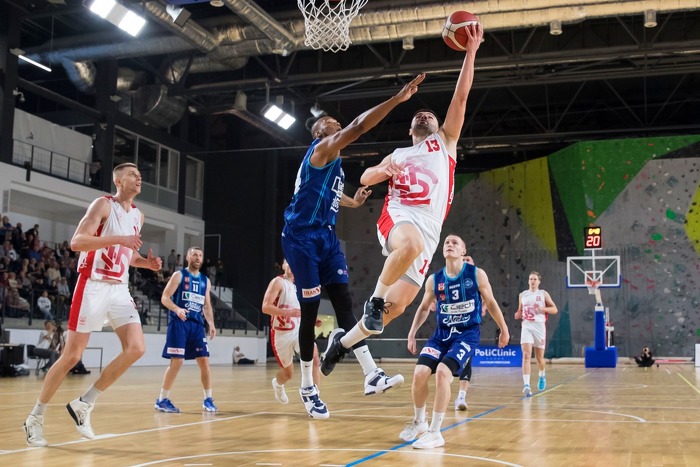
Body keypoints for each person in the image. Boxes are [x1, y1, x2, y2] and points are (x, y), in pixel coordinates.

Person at [321, 23, 485, 377]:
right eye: (417, 117)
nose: (424, 115)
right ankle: (375, 299)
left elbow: (461, 97)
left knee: (392, 312)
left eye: (430, 115)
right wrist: (383, 170)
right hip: (399, 215)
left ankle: (341, 344)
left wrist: (471, 53)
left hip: (430, 230)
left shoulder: (446, 143)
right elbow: (364, 178)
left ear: (439, 126)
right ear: (410, 130)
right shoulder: (398, 154)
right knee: (406, 250)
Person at [281, 73, 425, 419]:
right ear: (320, 133)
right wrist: (397, 100)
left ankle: (371, 374)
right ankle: (307, 386)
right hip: (301, 238)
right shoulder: (321, 150)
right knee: (311, 311)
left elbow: (331, 196)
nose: (337, 125)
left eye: (338, 123)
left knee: (345, 304)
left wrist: (353, 202)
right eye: (331, 124)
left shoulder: (334, 164)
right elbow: (359, 126)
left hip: (326, 237)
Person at [23, 162, 163, 448]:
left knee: (136, 348)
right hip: (93, 285)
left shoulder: (138, 215)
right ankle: (35, 417)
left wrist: (145, 263)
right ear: (118, 181)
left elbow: (126, 253)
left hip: (119, 288)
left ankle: (84, 403)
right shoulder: (103, 205)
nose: (139, 178)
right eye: (132, 175)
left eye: (140, 175)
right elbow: (77, 242)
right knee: (72, 356)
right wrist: (119, 238)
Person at [401, 234, 510, 449]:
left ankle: (435, 432)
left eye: (455, 243)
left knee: (443, 373)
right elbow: (424, 308)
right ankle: (420, 422)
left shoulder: (476, 274)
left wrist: (504, 329)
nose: (450, 245)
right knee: (420, 373)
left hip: (466, 335)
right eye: (446, 243)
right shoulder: (434, 280)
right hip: (441, 335)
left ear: (463, 251)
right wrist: (412, 332)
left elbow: (491, 302)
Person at [155, 246, 217, 413]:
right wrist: (177, 309)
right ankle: (162, 399)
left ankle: (208, 399)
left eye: (200, 255)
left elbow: (206, 305)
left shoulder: (205, 281)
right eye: (194, 255)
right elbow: (165, 297)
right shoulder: (179, 275)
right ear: (188, 258)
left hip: (197, 325)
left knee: (204, 360)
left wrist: (211, 324)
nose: (198, 258)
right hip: (179, 323)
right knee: (177, 361)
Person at [261, 259, 321, 405]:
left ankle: (315, 397)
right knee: (288, 374)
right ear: (283, 265)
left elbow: (299, 311)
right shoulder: (278, 282)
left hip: (298, 332)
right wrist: (288, 313)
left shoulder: (300, 287)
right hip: (281, 335)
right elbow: (265, 307)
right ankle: (278, 384)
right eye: (290, 262)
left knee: (314, 357)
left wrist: (312, 319)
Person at [514, 271, 558, 396]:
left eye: (534, 279)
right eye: (530, 279)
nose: (532, 281)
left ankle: (542, 373)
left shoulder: (543, 294)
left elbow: (554, 309)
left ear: (539, 281)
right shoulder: (523, 295)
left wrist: (542, 309)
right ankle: (526, 385)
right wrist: (518, 314)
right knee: (526, 355)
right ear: (528, 281)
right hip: (527, 326)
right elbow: (520, 311)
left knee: (539, 359)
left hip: (539, 327)